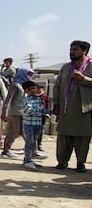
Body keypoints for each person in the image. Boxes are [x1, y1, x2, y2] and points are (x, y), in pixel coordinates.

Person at [53, 40, 92, 173]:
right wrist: (56, 104)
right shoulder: (65, 68)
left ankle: (80, 163)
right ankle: (62, 162)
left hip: (84, 108)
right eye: (70, 49)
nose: (71, 52)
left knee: (83, 137)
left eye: (75, 49)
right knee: (64, 136)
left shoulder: (90, 66)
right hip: (66, 108)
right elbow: (57, 86)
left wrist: (83, 79)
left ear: (84, 51)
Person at [0, 68, 34, 158]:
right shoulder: (15, 85)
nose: (30, 77)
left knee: (26, 132)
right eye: (28, 74)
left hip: (23, 113)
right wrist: (4, 111)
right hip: (15, 113)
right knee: (13, 132)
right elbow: (8, 99)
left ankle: (33, 151)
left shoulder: (24, 85)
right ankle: (6, 151)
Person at [21, 81, 51, 171]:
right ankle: (28, 162)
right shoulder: (26, 100)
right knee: (29, 143)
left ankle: (28, 160)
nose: (32, 91)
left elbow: (42, 109)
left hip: (37, 124)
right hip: (29, 125)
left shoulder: (38, 99)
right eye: (29, 89)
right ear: (26, 91)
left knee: (33, 143)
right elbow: (29, 111)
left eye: (33, 88)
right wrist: (41, 111)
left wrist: (48, 112)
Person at [35, 84, 49, 152]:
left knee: (40, 131)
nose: (37, 90)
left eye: (38, 89)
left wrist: (47, 114)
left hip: (42, 117)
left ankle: (39, 144)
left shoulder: (45, 97)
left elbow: (47, 107)